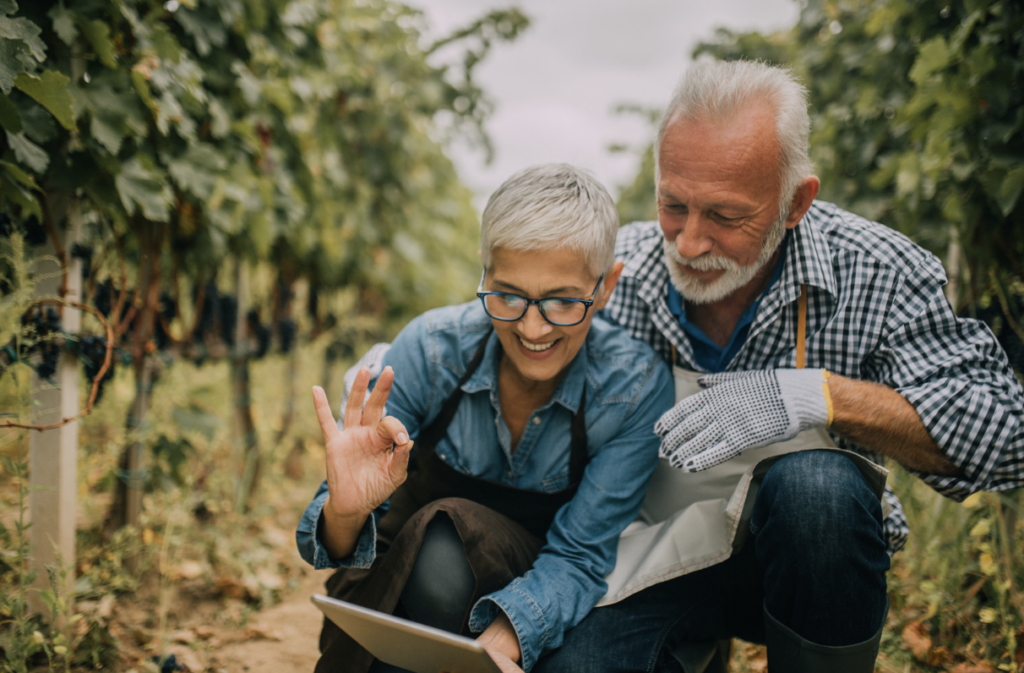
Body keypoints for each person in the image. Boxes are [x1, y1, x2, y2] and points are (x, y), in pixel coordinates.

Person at [527, 60, 1024, 672]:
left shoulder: (876, 271)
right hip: (652, 559)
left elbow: (1006, 434)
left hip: (811, 562)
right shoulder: (615, 273)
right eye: (673, 205)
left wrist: (820, 396)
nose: (687, 243)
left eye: (725, 217)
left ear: (795, 203)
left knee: (819, 490)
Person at [295, 164, 674, 673]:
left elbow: (581, 555)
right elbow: (336, 547)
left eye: (563, 302)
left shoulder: (632, 389)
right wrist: (344, 512)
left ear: (605, 287)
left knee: (448, 548)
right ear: (484, 269)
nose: (533, 327)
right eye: (508, 295)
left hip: (537, 584)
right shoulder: (430, 351)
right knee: (435, 557)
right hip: (398, 584)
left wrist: (498, 645)